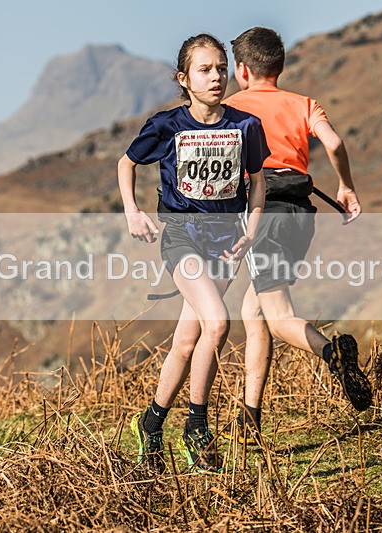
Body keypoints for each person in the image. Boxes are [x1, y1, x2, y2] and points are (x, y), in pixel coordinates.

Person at [118, 33, 269, 473]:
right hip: (181, 235)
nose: (216, 77)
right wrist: (133, 211)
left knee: (187, 342)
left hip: (226, 241)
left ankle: (150, 423)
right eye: (204, 70)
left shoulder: (245, 126)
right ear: (184, 79)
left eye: (221, 68)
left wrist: (251, 232)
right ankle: (197, 427)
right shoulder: (167, 126)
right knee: (218, 322)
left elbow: (257, 182)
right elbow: (126, 163)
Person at [222, 26, 372, 443]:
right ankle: (250, 417)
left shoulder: (231, 109)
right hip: (299, 215)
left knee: (278, 314)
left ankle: (333, 353)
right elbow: (335, 143)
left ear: (242, 70)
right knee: (255, 312)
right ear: (280, 66)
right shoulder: (304, 103)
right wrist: (346, 187)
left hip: (262, 214)